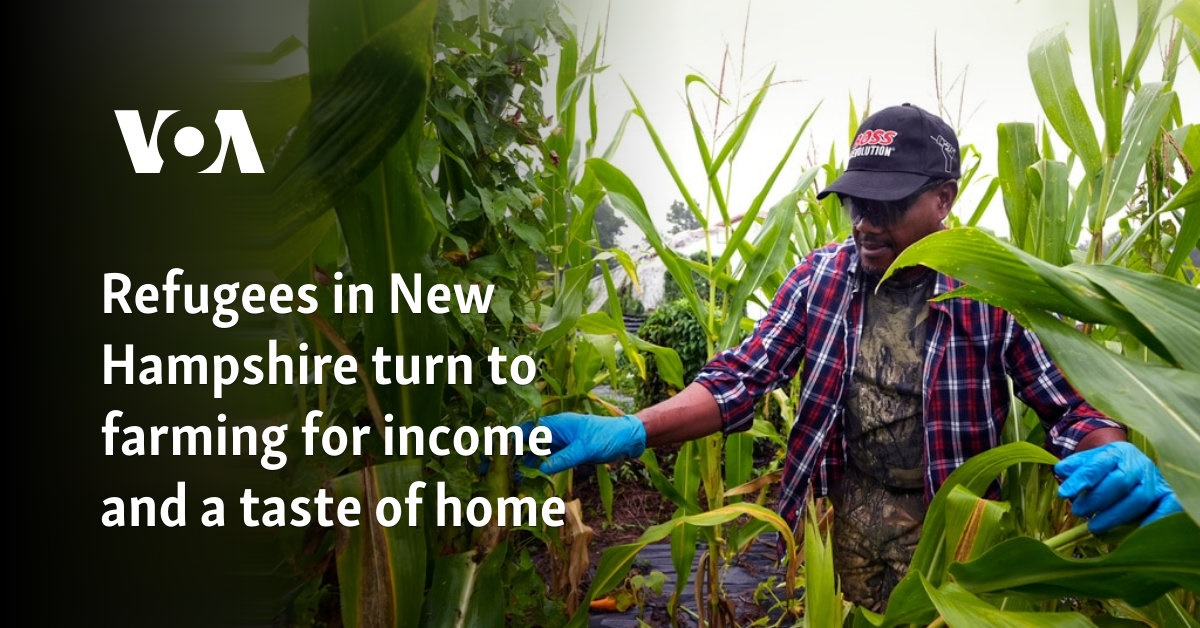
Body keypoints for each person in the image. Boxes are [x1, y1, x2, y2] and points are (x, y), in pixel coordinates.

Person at [532, 103, 1182, 611]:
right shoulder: (820, 278)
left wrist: (1107, 450)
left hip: (950, 529)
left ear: (944, 198)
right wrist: (631, 429)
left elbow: (1071, 404)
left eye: (888, 204)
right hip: (835, 520)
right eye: (855, 201)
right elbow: (740, 380)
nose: (865, 222)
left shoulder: (993, 289)